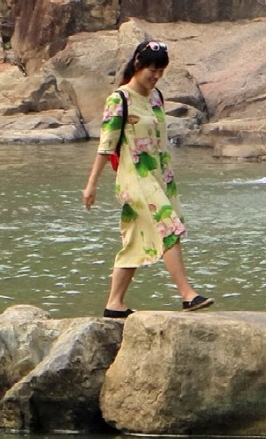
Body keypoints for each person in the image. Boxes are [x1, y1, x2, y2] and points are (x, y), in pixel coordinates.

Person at [81, 40, 212, 318]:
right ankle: (188, 295)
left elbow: (159, 140)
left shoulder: (156, 97)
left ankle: (114, 304)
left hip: (159, 175)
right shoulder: (120, 99)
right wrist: (91, 184)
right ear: (138, 64)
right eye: (152, 69)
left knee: (135, 240)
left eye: (160, 70)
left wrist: (166, 177)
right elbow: (106, 144)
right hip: (135, 176)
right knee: (169, 226)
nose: (155, 75)